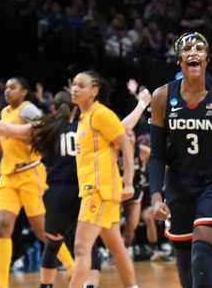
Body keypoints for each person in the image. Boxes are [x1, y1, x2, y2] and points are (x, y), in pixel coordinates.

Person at [0, 85, 151, 288]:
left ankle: (48, 284)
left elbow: (6, 129)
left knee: (53, 242)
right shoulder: (89, 123)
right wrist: (141, 104)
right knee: (92, 246)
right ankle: (92, 283)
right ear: (76, 107)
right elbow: (123, 127)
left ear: (53, 109)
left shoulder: (47, 128)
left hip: (55, 192)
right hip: (85, 191)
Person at [148, 32, 212, 288]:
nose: (193, 52)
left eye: (199, 48)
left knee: (201, 254)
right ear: (179, 59)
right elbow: (157, 154)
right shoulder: (162, 97)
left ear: (207, 59)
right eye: (187, 49)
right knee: (184, 265)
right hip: (179, 185)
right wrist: (156, 197)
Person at [0, 77, 74, 288]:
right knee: (3, 227)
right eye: (5, 87)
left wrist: (12, 135)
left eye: (12, 87)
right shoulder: (4, 112)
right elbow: (2, 142)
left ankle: (71, 266)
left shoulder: (28, 109)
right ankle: (2, 283)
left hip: (30, 175)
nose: (7, 91)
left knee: (42, 231)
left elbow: (42, 134)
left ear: (24, 92)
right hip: (7, 176)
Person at [68, 71, 137, 288]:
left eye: (81, 85)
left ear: (94, 90)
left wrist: (128, 181)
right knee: (116, 246)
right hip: (96, 191)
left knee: (81, 247)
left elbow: (125, 143)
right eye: (74, 85)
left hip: (99, 191)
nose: (75, 89)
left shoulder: (100, 114)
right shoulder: (83, 117)